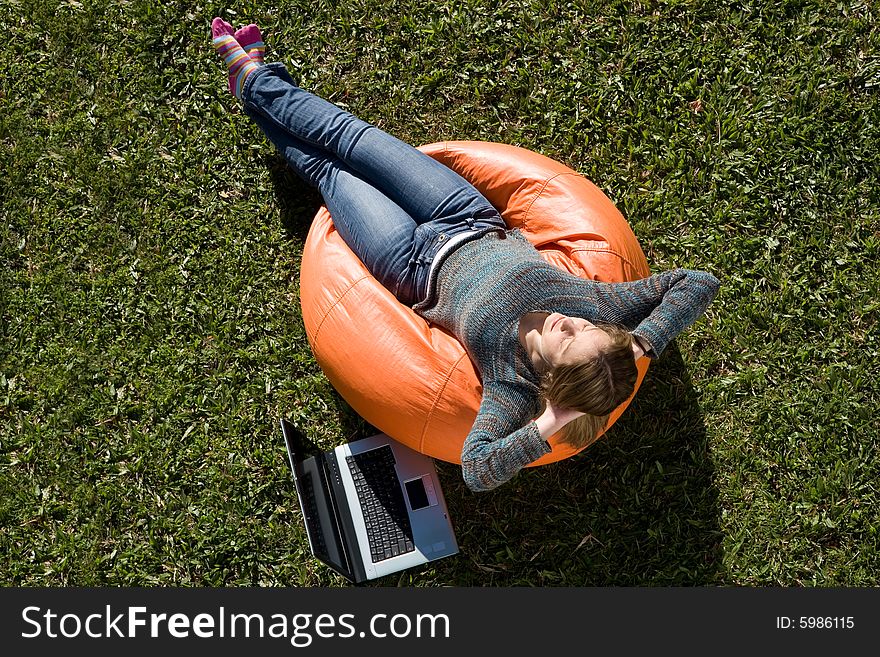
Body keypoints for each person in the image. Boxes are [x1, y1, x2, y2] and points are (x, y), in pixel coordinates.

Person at [210, 19, 721, 492]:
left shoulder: (513, 386)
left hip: (411, 263)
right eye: (586, 329)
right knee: (352, 138)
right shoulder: (599, 310)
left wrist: (549, 423)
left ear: (552, 380)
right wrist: (639, 345)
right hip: (466, 217)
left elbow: (478, 470)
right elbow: (698, 283)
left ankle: (251, 78)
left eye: (569, 340)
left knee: (331, 172)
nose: (570, 322)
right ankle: (257, 80)